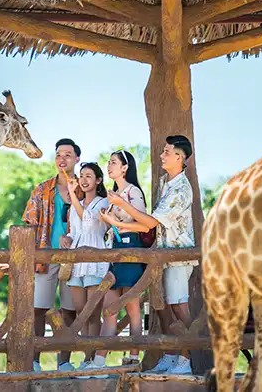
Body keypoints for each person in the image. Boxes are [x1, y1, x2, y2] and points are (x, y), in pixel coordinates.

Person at [105, 135, 198, 376]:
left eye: (167, 152)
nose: (161, 155)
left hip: (177, 255)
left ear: (180, 157)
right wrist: (118, 223)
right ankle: (170, 354)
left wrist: (122, 205)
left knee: (179, 306)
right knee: (163, 306)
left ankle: (186, 359)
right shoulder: (164, 183)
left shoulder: (181, 189)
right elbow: (149, 224)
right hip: (161, 254)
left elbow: (150, 222)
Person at [83, 150, 149, 377]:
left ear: (124, 168)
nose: (109, 166)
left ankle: (133, 359)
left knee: (133, 309)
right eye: (109, 163)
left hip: (131, 252)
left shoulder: (133, 192)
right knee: (109, 310)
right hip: (115, 253)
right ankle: (99, 363)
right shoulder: (114, 194)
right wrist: (108, 220)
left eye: (113, 163)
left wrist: (114, 221)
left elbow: (144, 224)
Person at [23, 138, 80, 372]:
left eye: (67, 155)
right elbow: (28, 222)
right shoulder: (42, 189)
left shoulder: (84, 188)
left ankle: (64, 362)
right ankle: (34, 361)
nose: (62, 159)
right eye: (58, 155)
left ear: (77, 159)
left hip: (75, 258)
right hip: (45, 257)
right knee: (38, 308)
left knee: (70, 311)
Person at [62, 162, 110, 366]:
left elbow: (88, 222)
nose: (83, 179)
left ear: (98, 180)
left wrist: (73, 196)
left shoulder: (103, 202)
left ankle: (91, 360)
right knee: (81, 312)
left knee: (92, 312)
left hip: (95, 259)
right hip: (75, 262)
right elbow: (75, 230)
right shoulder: (76, 204)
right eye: (81, 175)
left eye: (88, 176)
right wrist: (66, 238)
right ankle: (86, 357)